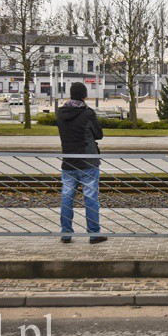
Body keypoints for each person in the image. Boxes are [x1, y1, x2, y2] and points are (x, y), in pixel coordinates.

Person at [56, 82, 107, 244]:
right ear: (84, 96)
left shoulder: (60, 112)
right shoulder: (88, 113)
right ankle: (93, 233)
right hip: (88, 162)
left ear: (71, 95)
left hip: (68, 161)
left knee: (66, 197)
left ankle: (65, 233)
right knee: (90, 197)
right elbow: (99, 134)